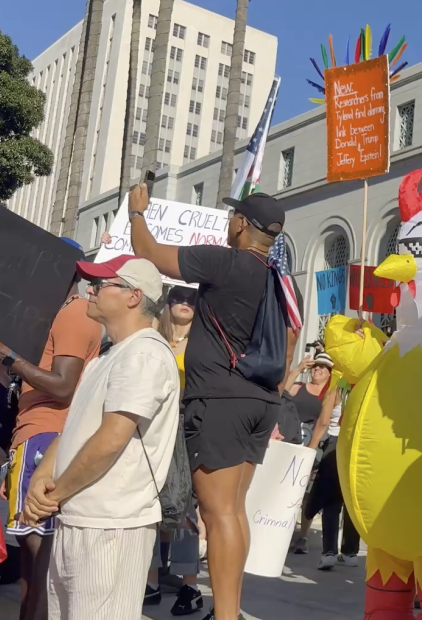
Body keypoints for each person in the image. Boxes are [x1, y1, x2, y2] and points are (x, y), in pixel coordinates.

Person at [127, 182, 296, 620]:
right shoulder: (278, 277)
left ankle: (225, 616)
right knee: (233, 511)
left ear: (242, 224)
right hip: (259, 401)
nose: (226, 222)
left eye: (231, 217)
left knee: (217, 512)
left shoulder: (225, 261)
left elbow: (149, 253)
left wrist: (137, 214)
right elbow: (291, 337)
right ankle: (229, 609)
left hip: (221, 400)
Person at [19, 255, 179, 620]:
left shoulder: (145, 353)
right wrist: (44, 474)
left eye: (101, 284)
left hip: (112, 524)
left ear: (133, 296)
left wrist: (54, 494)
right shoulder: (108, 356)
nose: (89, 289)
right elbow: (78, 426)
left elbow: (111, 439)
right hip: (80, 516)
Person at [0, 236, 101, 620]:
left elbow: (63, 385)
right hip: (41, 436)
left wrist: (5, 355)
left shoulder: (73, 314)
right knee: (35, 554)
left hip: (46, 436)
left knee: (38, 553)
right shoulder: (64, 313)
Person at [145, 285, 204, 616]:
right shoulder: (153, 338)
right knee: (151, 502)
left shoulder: (201, 344)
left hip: (186, 426)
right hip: (154, 425)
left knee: (184, 508)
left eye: (191, 299)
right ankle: (151, 581)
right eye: (177, 297)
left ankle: (191, 585)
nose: (184, 303)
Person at [295, 358, 360, 571]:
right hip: (357, 445)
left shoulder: (337, 385)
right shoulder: (365, 384)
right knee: (353, 501)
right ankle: (350, 552)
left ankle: (329, 551)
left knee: (331, 500)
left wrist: (311, 447)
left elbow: (323, 422)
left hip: (334, 443)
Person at [282, 353, 333, 447]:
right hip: (291, 438)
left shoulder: (331, 394)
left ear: (330, 373)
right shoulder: (299, 387)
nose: (317, 368)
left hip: (315, 442)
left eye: (321, 366)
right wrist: (298, 368)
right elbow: (282, 392)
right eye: (314, 366)